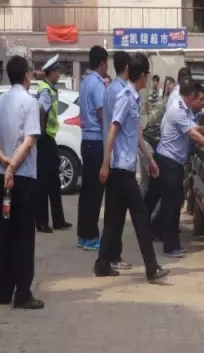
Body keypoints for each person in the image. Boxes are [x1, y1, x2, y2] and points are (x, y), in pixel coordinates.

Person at [95, 53, 170, 281]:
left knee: (113, 219)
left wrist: (150, 159)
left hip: (124, 169)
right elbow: (113, 130)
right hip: (121, 170)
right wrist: (105, 164)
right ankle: (151, 267)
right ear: (143, 75)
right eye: (148, 75)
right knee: (140, 217)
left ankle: (102, 264)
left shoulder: (134, 98)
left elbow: (134, 135)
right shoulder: (126, 97)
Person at [0, 55, 44, 309]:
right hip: (23, 177)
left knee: (5, 231)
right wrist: (13, 166)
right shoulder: (30, 102)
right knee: (23, 235)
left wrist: (4, 161)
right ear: (26, 76)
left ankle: (4, 290)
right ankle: (23, 293)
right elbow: (29, 140)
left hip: (3, 177)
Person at [146, 79, 204, 258]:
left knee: (172, 201)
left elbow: (196, 127)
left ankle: (157, 231)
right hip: (169, 161)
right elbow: (193, 134)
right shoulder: (178, 110)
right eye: (200, 99)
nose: (201, 103)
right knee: (171, 205)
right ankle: (170, 245)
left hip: (172, 161)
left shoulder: (185, 108)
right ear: (191, 97)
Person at [100, 50, 131, 269]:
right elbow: (115, 128)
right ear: (127, 67)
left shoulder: (109, 89)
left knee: (113, 211)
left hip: (110, 155)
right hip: (117, 158)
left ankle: (110, 255)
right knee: (116, 213)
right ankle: (112, 256)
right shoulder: (122, 92)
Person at [35, 54, 72, 233]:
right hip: (45, 140)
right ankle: (42, 222)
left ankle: (58, 220)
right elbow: (41, 111)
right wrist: (41, 133)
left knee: (54, 181)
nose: (59, 75)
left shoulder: (50, 88)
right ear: (50, 73)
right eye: (57, 72)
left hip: (49, 139)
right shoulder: (45, 90)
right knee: (44, 182)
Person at [77, 45, 108, 251]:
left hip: (86, 140)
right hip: (96, 141)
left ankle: (83, 234)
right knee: (95, 193)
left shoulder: (85, 82)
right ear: (102, 63)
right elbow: (102, 114)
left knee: (87, 191)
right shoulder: (97, 85)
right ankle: (90, 235)